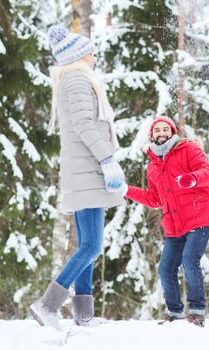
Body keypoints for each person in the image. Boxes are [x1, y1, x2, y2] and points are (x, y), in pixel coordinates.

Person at [29, 25, 127, 329]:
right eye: (90, 52)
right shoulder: (75, 78)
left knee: (88, 243)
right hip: (87, 169)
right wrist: (107, 158)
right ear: (77, 55)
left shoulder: (76, 78)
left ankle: (84, 315)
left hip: (86, 171)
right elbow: (85, 125)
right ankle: (47, 305)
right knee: (92, 246)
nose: (95, 57)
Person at [124, 116, 209, 327]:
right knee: (166, 269)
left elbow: (207, 171)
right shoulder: (153, 167)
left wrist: (192, 178)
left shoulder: (188, 149)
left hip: (199, 215)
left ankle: (196, 312)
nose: (162, 133)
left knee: (189, 259)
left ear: (172, 132)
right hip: (174, 225)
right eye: (157, 130)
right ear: (152, 135)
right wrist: (126, 190)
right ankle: (175, 313)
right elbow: (154, 199)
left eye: (166, 129)